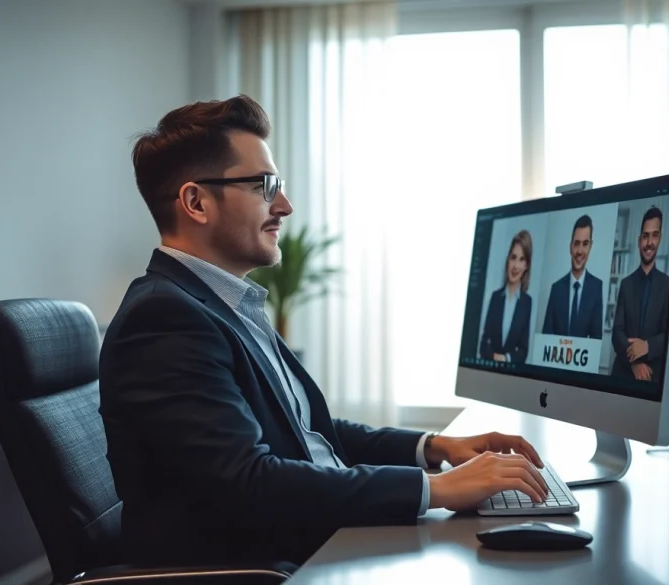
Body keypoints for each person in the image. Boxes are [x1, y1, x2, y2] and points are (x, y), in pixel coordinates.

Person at [97, 96, 550, 569]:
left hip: (319, 540)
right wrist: (435, 489)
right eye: (264, 186)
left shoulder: (222, 304)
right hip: (270, 567)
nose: (285, 205)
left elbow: (308, 432)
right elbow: (251, 484)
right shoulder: (165, 320)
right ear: (196, 202)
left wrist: (434, 448)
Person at [611, 206, 669, 381]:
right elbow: (617, 333)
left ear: (659, 239)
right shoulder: (626, 284)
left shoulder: (668, 285)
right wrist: (634, 363)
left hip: (652, 377)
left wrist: (648, 346)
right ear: (639, 241)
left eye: (654, 235)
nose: (649, 242)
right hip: (622, 373)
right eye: (645, 236)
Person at [541, 215, 604, 339]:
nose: (580, 251)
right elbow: (546, 337)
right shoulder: (556, 288)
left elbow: (596, 340)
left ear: (590, 247)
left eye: (585, 244)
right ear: (570, 247)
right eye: (576, 244)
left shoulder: (596, 287)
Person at [479, 230, 534, 363]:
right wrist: (493, 357)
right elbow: (483, 344)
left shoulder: (527, 302)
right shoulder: (495, 297)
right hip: (489, 370)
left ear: (526, 266)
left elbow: (523, 351)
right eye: (513, 257)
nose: (515, 266)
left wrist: (505, 359)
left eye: (521, 260)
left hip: (510, 375)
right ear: (508, 259)